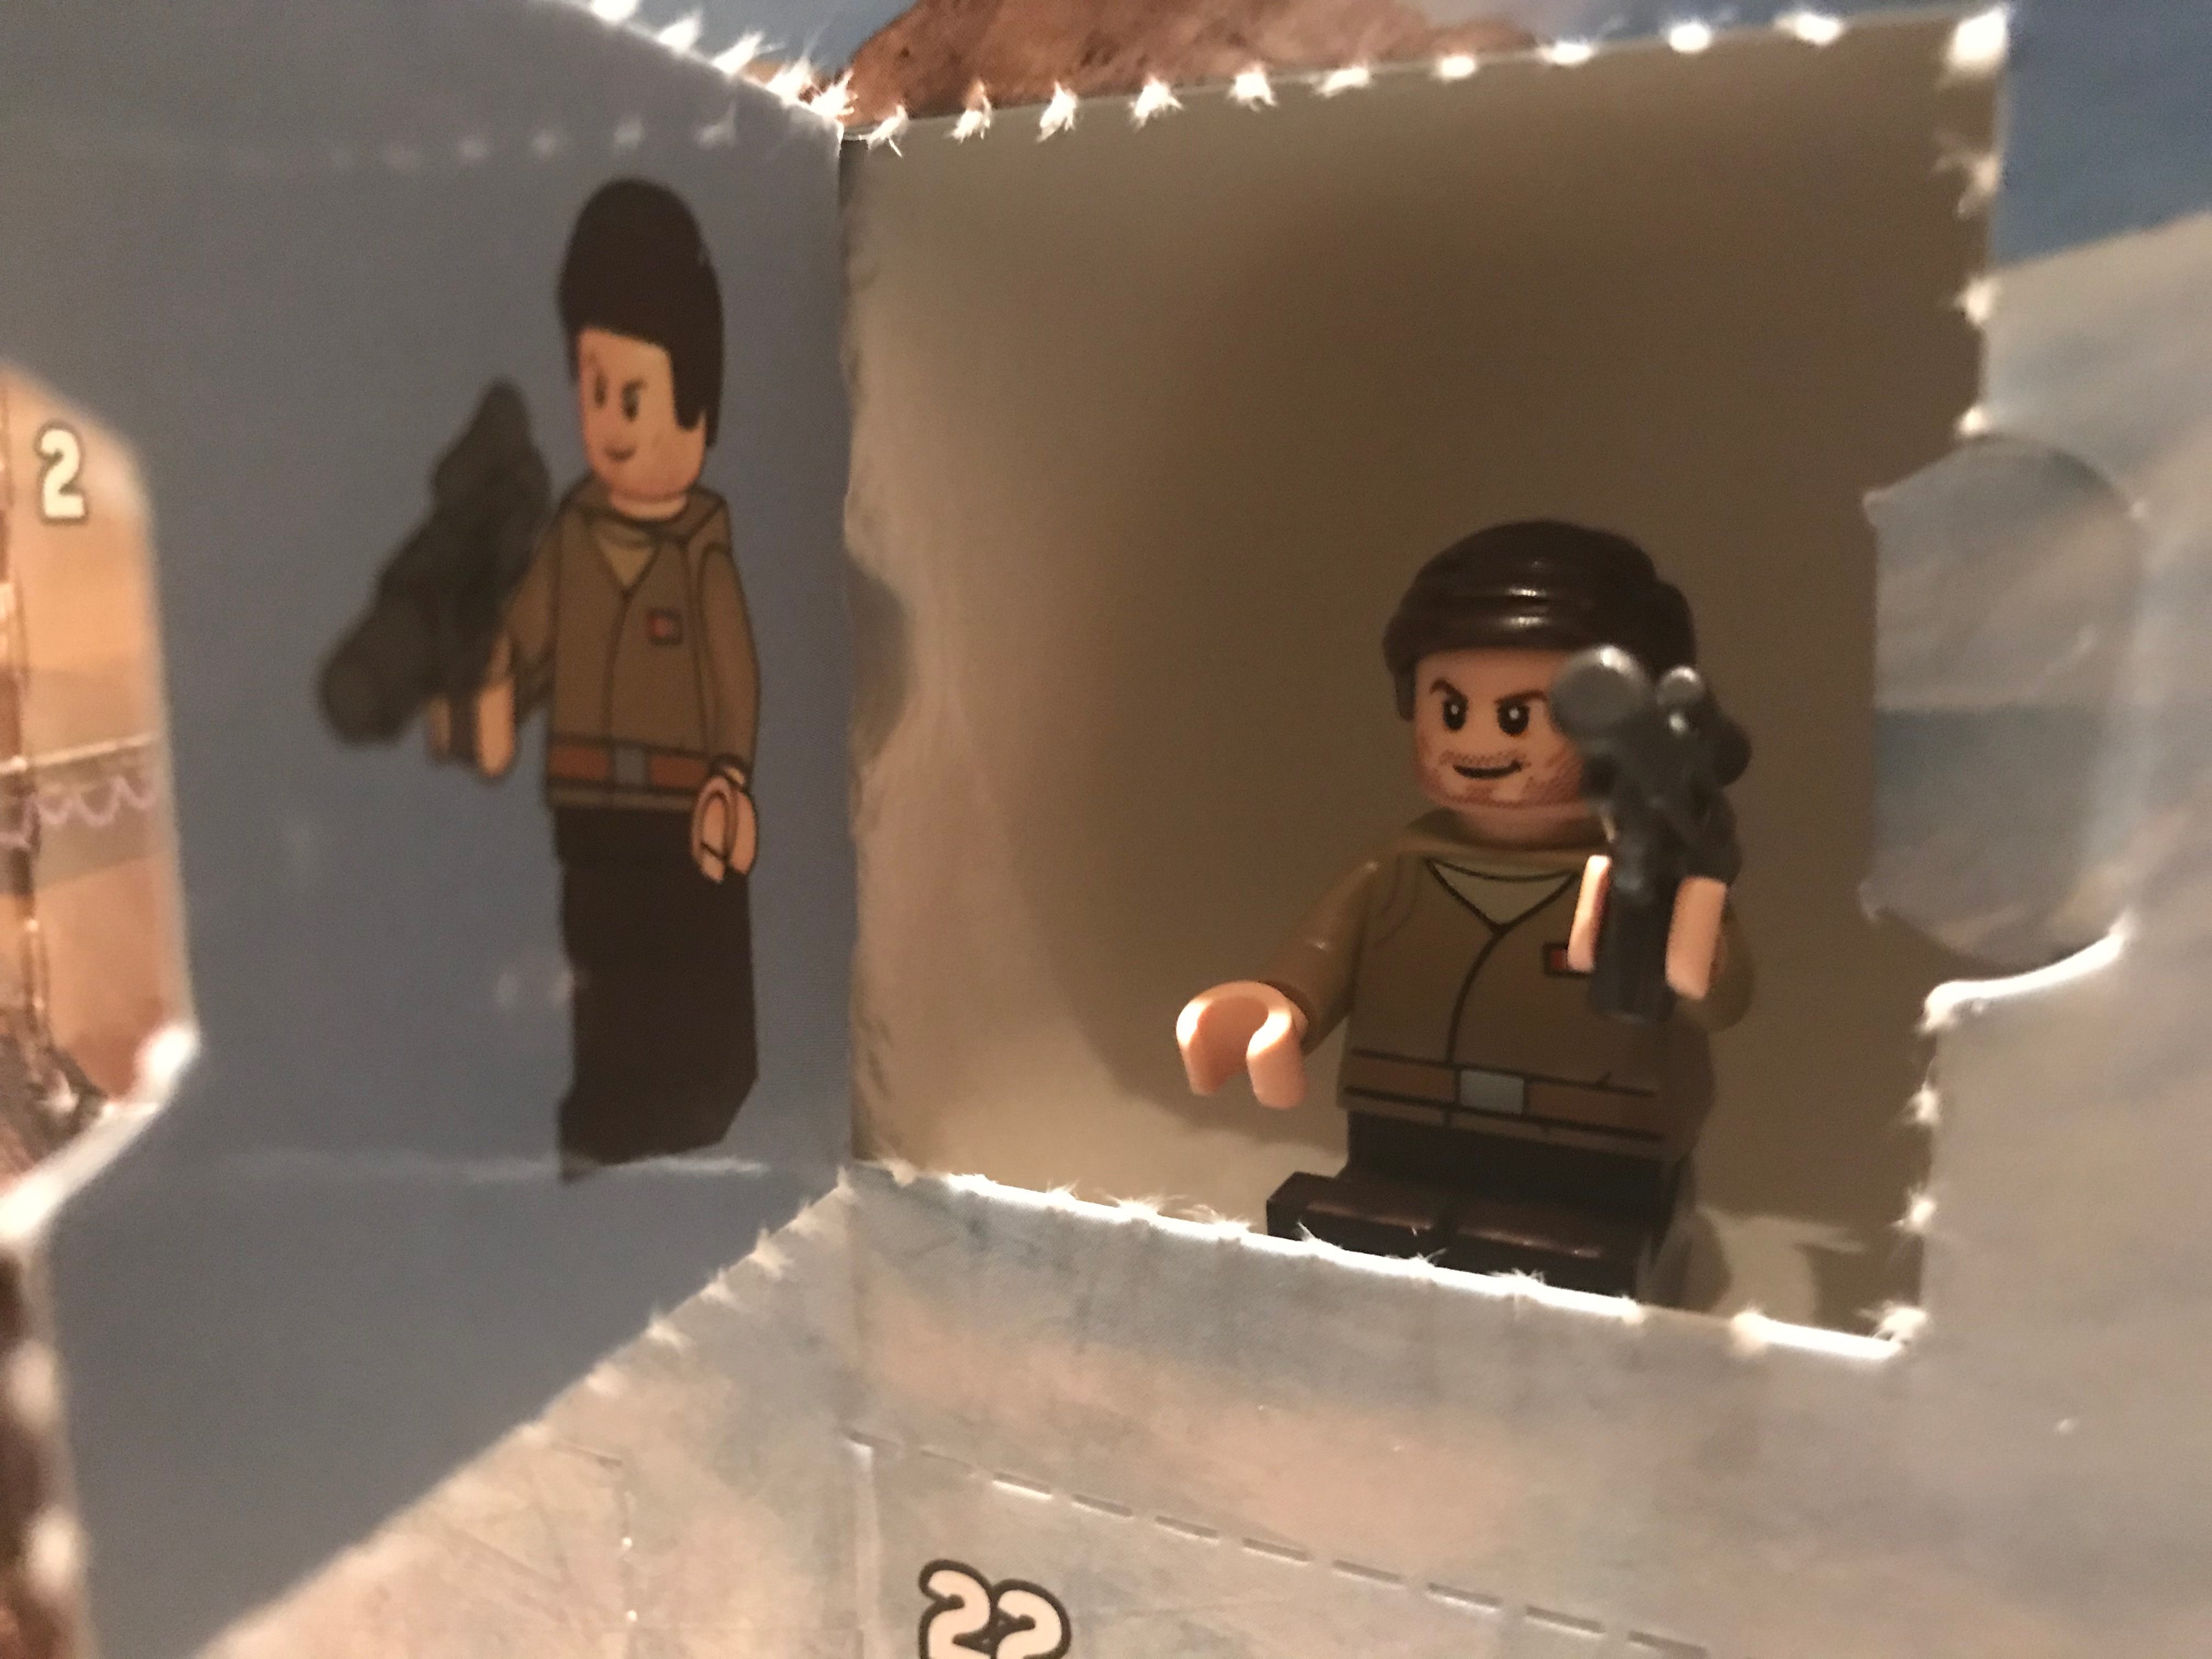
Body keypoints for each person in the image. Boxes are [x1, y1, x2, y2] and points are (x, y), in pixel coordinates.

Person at [1176, 521, 1750, 1300]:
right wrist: (1277, 1006)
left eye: (1520, 717)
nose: (1477, 744)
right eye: (1451, 711)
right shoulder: (1397, 866)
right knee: (1372, 1253)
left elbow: (1721, 1000)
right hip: (1405, 1124)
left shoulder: (1646, 873)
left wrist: (1688, 929)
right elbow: (1322, 957)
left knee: (1581, 1273)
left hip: (1598, 1142)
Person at [438, 178, 760, 1174]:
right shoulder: (573, 536)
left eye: (635, 397)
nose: (612, 422)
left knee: (686, 968)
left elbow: (732, 672)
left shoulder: (702, 547)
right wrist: (492, 684)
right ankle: (613, 1102)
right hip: (587, 813)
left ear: (697, 405)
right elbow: (526, 641)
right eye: (593, 389)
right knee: (603, 968)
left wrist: (730, 777)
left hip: (680, 817)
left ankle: (692, 1104)